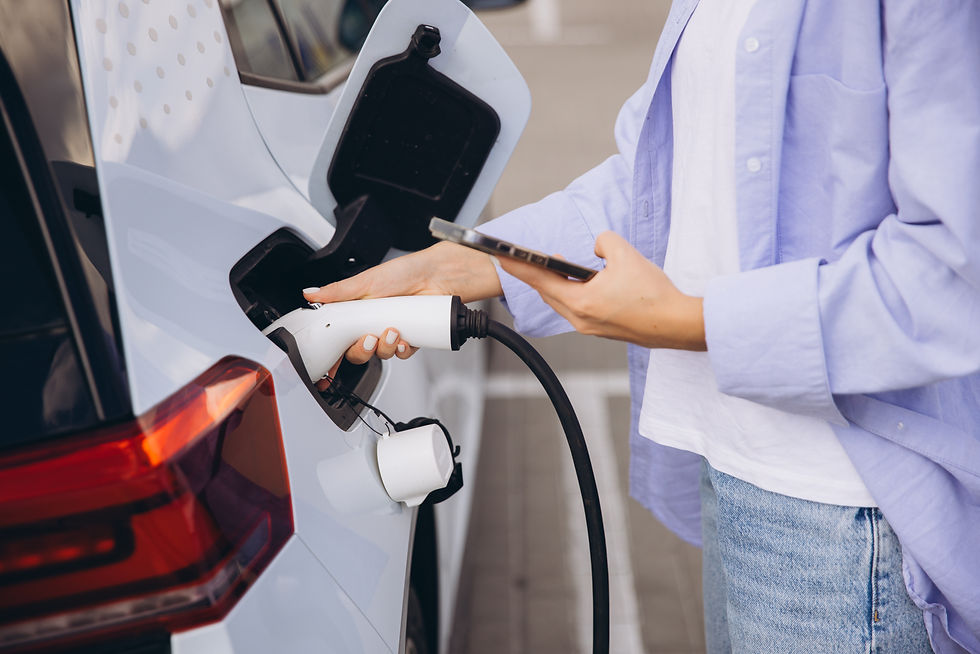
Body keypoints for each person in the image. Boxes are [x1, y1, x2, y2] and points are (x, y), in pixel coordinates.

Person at [305, 1, 980, 652]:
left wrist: (690, 322)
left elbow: (951, 268)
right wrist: (457, 267)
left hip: (844, 509)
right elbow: (662, 179)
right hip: (732, 461)